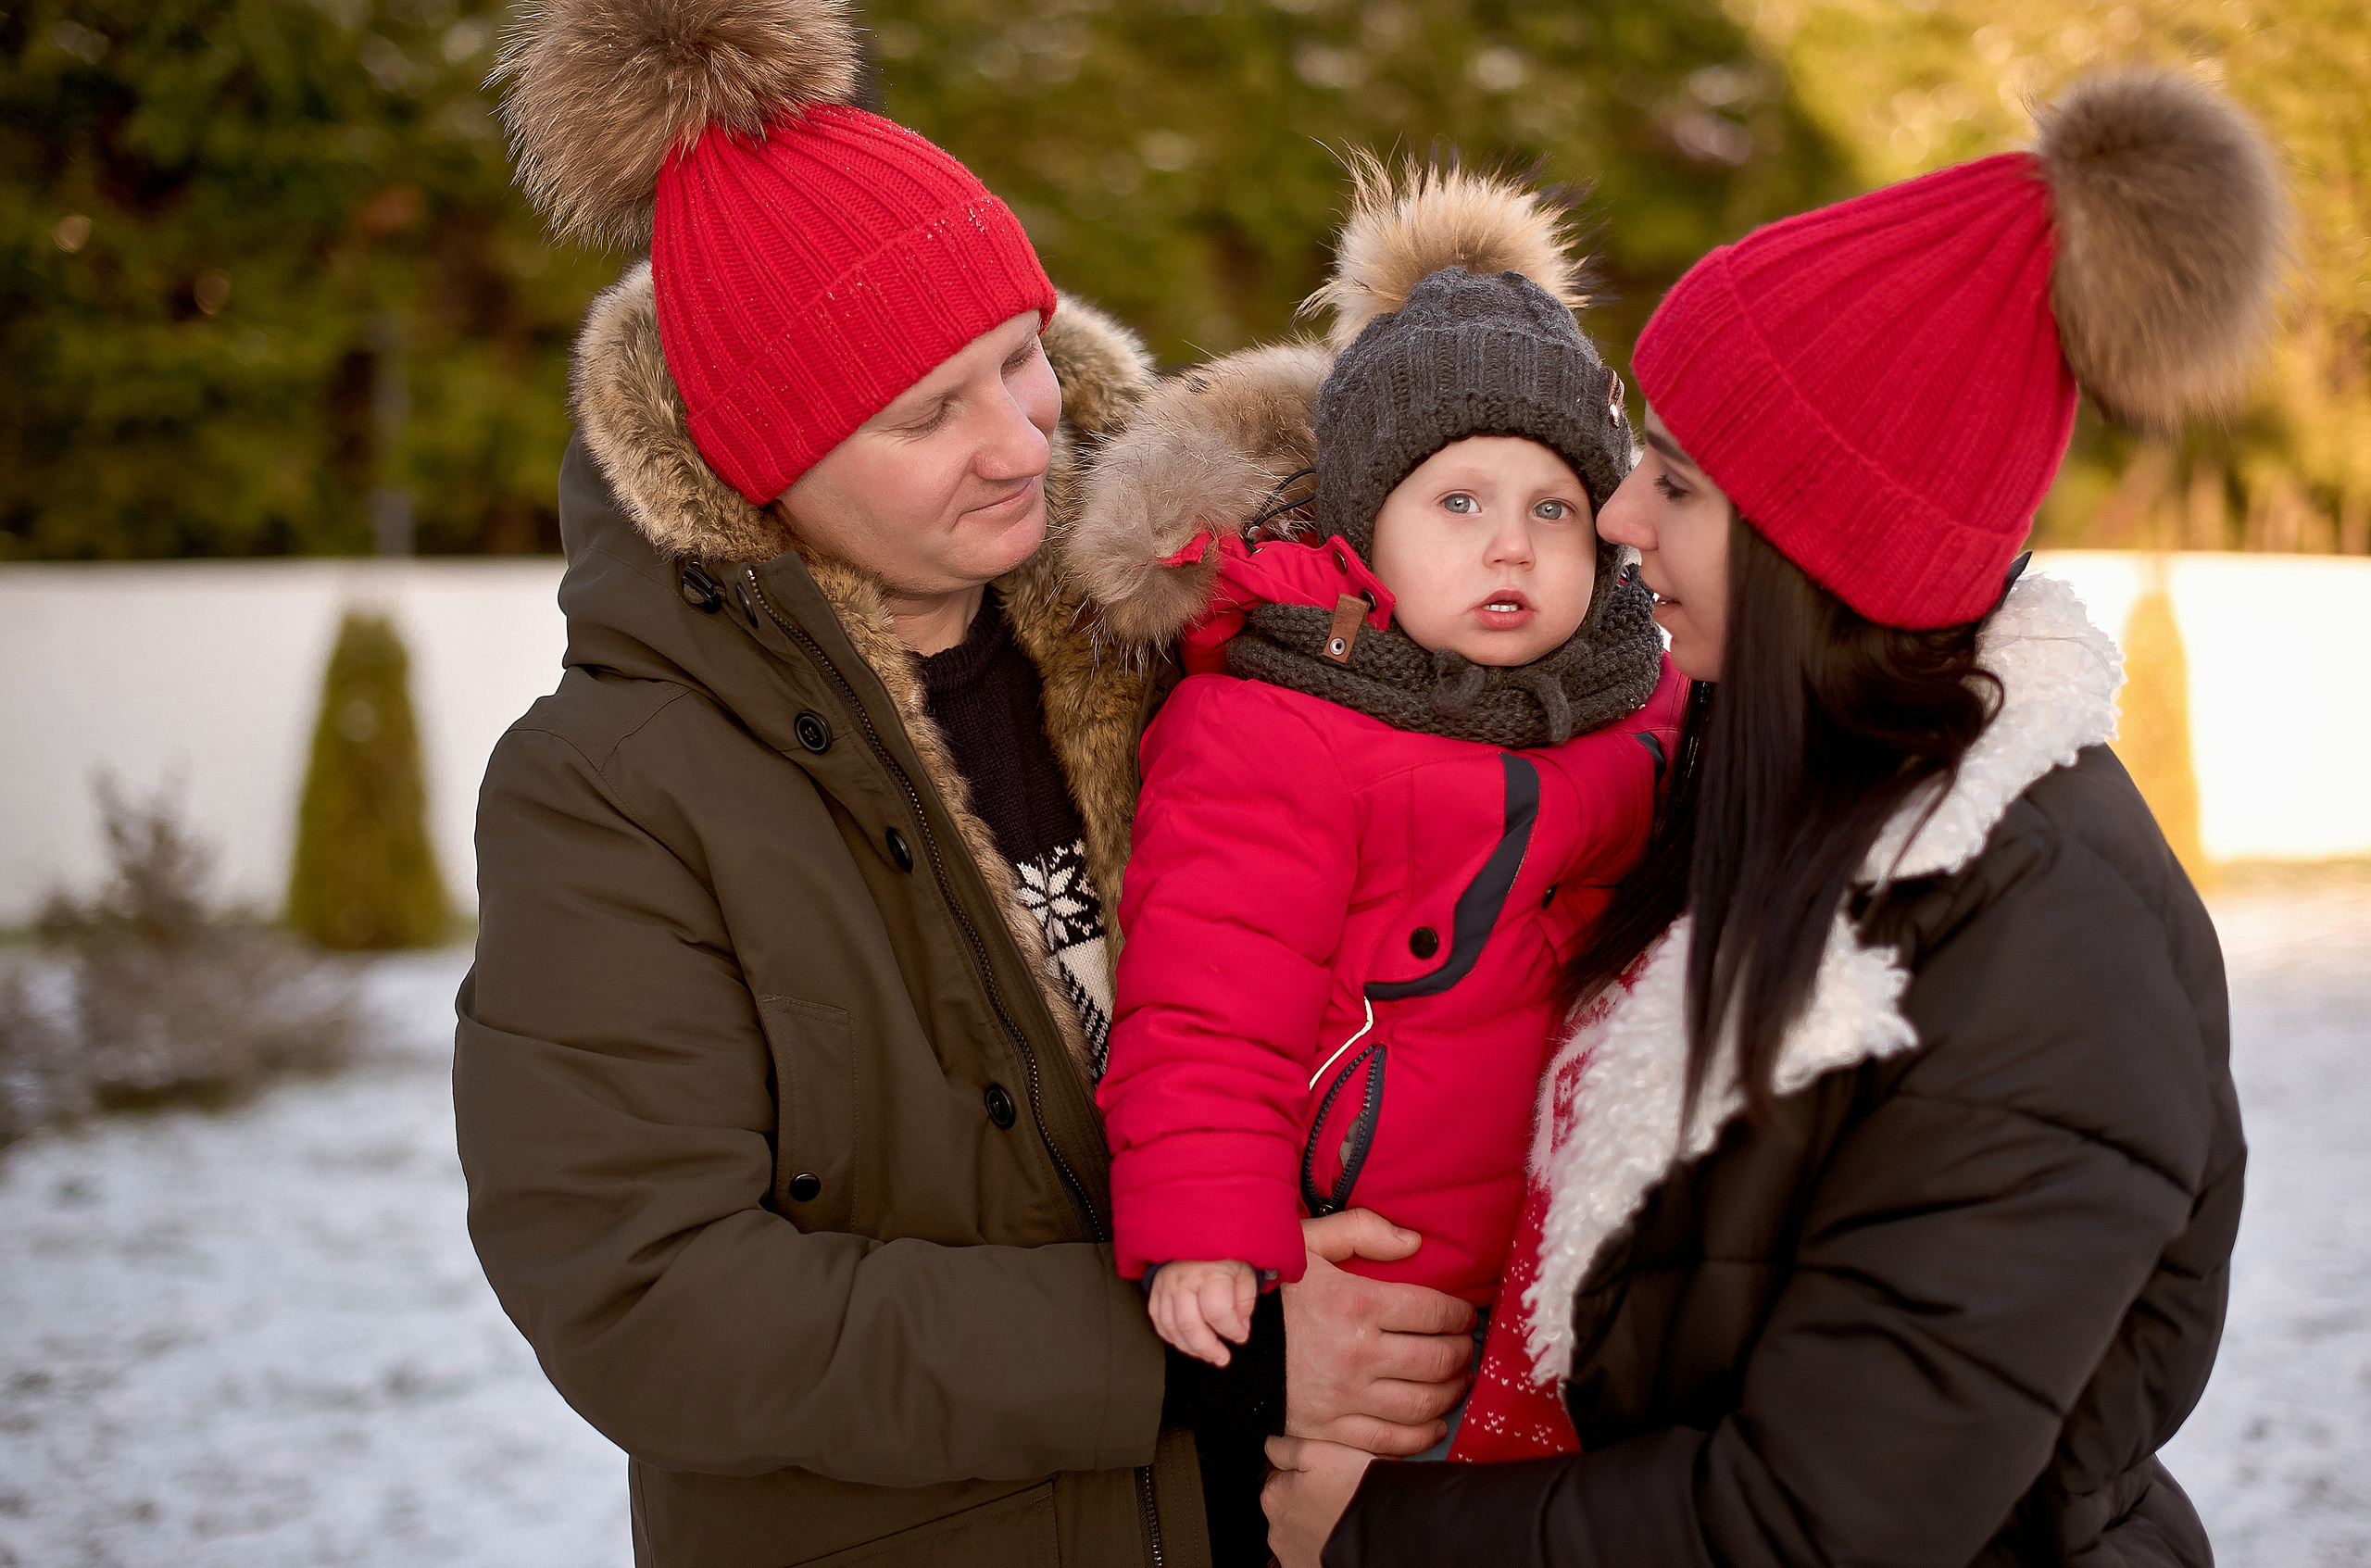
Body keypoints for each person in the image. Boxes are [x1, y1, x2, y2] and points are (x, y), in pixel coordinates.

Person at [454, 4, 1474, 1565]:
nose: (1020, 442)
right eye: (930, 414)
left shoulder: (1184, 626)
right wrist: (1211, 1352)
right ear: (759, 465)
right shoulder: (610, 790)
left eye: (1020, 357)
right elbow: (649, 1299)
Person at [1263, 68, 2280, 1567]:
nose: (1615, 518)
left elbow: (1825, 1517)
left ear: (1816, 548)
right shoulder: (1740, 767)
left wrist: (1383, 1539)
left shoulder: (2056, 949)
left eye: (1671, 482)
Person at [1074, 164, 1684, 1427]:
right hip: (1382, 1271)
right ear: (1364, 524)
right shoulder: (1277, 727)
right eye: (1457, 502)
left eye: (1553, 508)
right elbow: (1206, 1002)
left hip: (1574, 1283)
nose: (1508, 543)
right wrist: (1208, 1229)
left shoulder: (1652, 702)